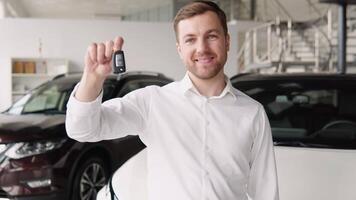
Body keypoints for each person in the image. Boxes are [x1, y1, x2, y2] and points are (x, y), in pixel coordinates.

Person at [65, 1, 279, 200]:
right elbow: (83, 129)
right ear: (180, 49)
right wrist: (92, 80)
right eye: (190, 39)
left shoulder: (253, 113)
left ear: (227, 41)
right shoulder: (152, 102)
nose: (202, 48)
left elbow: (265, 192)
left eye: (211, 36)